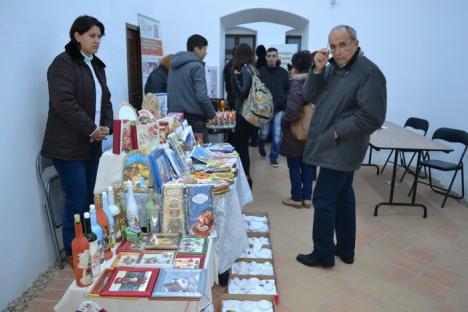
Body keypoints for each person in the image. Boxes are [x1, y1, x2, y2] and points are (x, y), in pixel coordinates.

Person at [297, 25, 386, 268]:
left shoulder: (368, 72)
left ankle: (323, 254)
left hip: (343, 145)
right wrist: (317, 69)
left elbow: (373, 116)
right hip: (331, 144)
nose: (337, 51)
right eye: (333, 46)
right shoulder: (333, 69)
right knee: (344, 196)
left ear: (356, 44)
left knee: (323, 198)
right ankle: (346, 250)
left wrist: (339, 131)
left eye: (343, 45)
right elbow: (309, 94)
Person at [41, 15, 114, 262]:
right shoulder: (62, 64)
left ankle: (89, 246)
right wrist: (91, 129)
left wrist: (104, 126)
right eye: (92, 36)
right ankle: (76, 254)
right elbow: (63, 103)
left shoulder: (96, 65)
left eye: (99, 37)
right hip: (67, 146)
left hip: (92, 144)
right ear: (77, 36)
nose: (96, 41)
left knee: (90, 198)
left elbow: (106, 101)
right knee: (76, 200)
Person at [280, 50, 317, 209]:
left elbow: (293, 109)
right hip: (312, 130)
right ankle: (307, 198)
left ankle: (296, 197)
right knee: (308, 165)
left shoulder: (297, 83)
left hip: (296, 132)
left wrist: (284, 121)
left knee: (294, 165)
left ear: (294, 67)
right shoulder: (315, 81)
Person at [167, 34, 216, 142]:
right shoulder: (197, 66)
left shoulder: (173, 65)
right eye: (204, 49)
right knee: (200, 155)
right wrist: (212, 114)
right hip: (195, 121)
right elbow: (202, 96)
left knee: (183, 155)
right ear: (196, 49)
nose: (205, 53)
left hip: (176, 119)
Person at [258, 47, 290, 167]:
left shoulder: (283, 72)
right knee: (264, 134)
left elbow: (288, 89)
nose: (271, 58)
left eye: (273, 56)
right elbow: (257, 90)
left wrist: (283, 99)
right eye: (269, 56)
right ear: (266, 57)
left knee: (277, 134)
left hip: (279, 109)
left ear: (277, 57)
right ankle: (261, 145)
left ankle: (273, 157)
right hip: (265, 110)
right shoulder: (261, 71)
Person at [231, 43, 256, 189]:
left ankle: (246, 180)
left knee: (241, 149)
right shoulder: (253, 69)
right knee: (242, 148)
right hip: (248, 115)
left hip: (243, 115)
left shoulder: (246, 70)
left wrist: (235, 78)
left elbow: (243, 93)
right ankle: (245, 179)